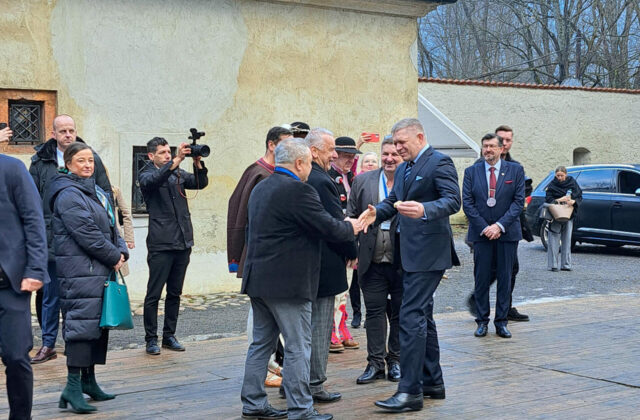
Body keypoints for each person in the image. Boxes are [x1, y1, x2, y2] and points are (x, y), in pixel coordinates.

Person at [240, 138, 360, 420]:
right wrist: (351, 226)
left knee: (261, 343)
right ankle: (300, 408)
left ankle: (253, 403)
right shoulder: (298, 190)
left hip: (259, 280)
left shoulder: (262, 186)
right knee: (298, 345)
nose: (310, 168)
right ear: (299, 163)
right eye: (308, 162)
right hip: (288, 285)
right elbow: (328, 227)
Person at [358, 118, 461, 412]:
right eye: (394, 143)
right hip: (408, 253)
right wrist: (375, 212)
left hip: (429, 253)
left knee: (411, 315)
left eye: (402, 143)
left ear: (419, 136)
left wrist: (425, 210)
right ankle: (433, 383)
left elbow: (453, 201)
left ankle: (410, 392)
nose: (397, 148)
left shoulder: (439, 162)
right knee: (423, 316)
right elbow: (393, 201)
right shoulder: (404, 168)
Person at [47, 141, 129, 413]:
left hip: (98, 269)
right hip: (80, 272)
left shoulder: (94, 190)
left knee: (97, 325)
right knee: (81, 328)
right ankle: (72, 387)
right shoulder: (68, 194)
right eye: (81, 160)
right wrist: (113, 256)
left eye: (90, 160)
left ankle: (89, 382)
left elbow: (110, 223)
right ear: (68, 164)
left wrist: (121, 250)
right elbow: (87, 234)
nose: (87, 164)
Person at [29, 114, 113, 364]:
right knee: (50, 294)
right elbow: (31, 202)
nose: (68, 134)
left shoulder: (90, 158)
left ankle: (76, 349)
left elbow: (105, 195)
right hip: (51, 238)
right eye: (62, 131)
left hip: (85, 241)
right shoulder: (40, 161)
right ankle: (47, 343)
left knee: (82, 300)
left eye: (71, 130)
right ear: (53, 134)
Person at [227, 125, 293, 388]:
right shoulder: (259, 173)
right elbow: (239, 213)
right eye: (285, 145)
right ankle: (263, 367)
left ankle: (271, 362)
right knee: (259, 316)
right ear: (271, 145)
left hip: (271, 257)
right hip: (260, 255)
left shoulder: (275, 174)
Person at [139, 137, 209, 355]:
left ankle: (169, 335)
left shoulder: (177, 172)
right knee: (154, 294)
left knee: (175, 293)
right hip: (161, 243)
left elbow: (199, 183)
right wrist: (176, 161)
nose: (167, 155)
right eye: (162, 153)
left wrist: (197, 164)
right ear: (151, 156)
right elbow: (155, 181)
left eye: (168, 152)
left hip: (182, 240)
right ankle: (151, 339)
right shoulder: (146, 174)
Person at [304, 129, 358, 403]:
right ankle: (315, 384)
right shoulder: (322, 181)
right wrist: (352, 250)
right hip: (325, 267)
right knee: (320, 328)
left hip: (307, 267)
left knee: (303, 331)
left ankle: (297, 382)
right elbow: (335, 226)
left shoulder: (302, 177)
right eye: (330, 150)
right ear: (313, 151)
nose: (335, 155)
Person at [0, 126, 48, 420]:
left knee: (16, 356)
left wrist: (35, 269)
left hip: (10, 283)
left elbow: (34, 221)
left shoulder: (13, 169)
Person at [347, 136, 403, 385]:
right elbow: (350, 218)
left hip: (403, 260)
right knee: (374, 313)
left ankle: (396, 360)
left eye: (394, 154)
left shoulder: (409, 181)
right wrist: (352, 251)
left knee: (400, 314)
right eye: (385, 154)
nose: (389, 159)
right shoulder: (363, 180)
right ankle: (375, 363)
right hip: (370, 259)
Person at [466, 125, 532, 322]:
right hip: (482, 232)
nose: (503, 144)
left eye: (507, 141)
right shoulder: (476, 169)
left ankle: (503, 312)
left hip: (507, 230)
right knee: (485, 271)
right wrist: (485, 228)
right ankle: (480, 309)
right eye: (499, 140)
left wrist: (500, 226)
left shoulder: (515, 167)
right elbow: (469, 202)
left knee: (509, 271)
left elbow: (519, 199)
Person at [327, 136, 361, 349]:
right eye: (346, 156)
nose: (350, 161)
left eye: (352, 157)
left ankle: (341, 326)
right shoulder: (328, 177)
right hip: (337, 239)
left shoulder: (353, 178)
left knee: (346, 289)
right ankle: (331, 329)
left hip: (352, 237)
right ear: (335, 155)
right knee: (335, 290)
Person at [545, 166, 582, 271]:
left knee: (567, 240)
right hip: (555, 215)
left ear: (566, 174)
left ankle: (566, 265)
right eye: (557, 176)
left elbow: (579, 196)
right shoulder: (552, 185)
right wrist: (559, 200)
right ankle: (553, 265)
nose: (559, 178)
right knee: (553, 240)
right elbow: (548, 199)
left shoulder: (572, 183)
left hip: (568, 214)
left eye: (561, 175)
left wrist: (573, 201)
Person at [112, 185, 135, 276]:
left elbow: (126, 213)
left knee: (117, 272)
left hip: (116, 235)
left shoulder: (115, 190)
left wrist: (129, 238)